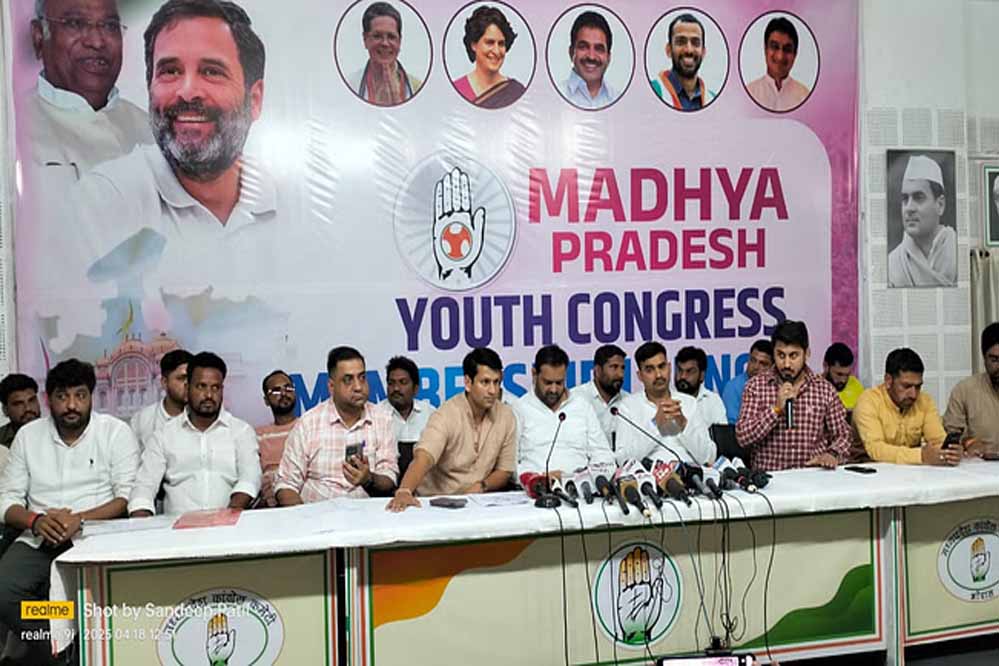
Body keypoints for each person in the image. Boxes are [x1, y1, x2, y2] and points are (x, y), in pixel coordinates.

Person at [77, 0, 274, 237]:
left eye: (211, 71)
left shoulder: (292, 203)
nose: (187, 92)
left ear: (254, 100)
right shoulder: (104, 201)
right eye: (170, 71)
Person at [0, 359, 138, 664]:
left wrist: (80, 519)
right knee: (4, 590)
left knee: (112, 595)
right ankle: (60, 642)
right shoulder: (28, 436)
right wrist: (36, 520)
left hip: (96, 534)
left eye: (80, 395)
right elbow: (7, 501)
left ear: (91, 396)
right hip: (39, 535)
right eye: (62, 397)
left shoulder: (115, 432)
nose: (72, 405)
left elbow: (125, 498)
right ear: (49, 399)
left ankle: (73, 635)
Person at [26, 0, 151, 176]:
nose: (97, 42)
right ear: (39, 37)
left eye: (109, 26)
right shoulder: (13, 131)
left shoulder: (152, 132)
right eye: (75, 23)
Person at [129, 352, 260, 516]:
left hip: (230, 522)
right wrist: (141, 520)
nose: (209, 395)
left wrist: (228, 515)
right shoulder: (164, 435)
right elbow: (144, 487)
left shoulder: (241, 431)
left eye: (215, 387)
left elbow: (250, 478)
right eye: (201, 386)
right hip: (175, 528)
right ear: (188, 388)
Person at [387, 347, 516, 512]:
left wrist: (481, 486)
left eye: (496, 382)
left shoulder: (506, 416)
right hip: (436, 503)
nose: (492, 391)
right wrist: (404, 491)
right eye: (485, 382)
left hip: (478, 503)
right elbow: (424, 457)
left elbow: (504, 470)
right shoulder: (446, 414)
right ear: (468, 383)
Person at [276, 347, 398, 504]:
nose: (358, 387)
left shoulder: (382, 420)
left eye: (362, 377)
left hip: (367, 515)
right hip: (317, 514)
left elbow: (389, 478)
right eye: (348, 380)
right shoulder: (308, 424)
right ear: (331, 386)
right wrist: (304, 517)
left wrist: (368, 479)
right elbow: (286, 485)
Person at [736, 320, 851, 470]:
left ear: (806, 353)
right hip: (770, 478)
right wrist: (775, 410)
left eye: (793, 356)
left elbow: (844, 435)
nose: (787, 364)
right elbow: (742, 437)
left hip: (812, 475)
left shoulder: (824, 389)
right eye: (781, 355)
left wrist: (832, 454)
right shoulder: (756, 387)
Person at [513, 345, 614, 479]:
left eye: (559, 383)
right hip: (535, 487)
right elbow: (509, 464)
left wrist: (581, 477)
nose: (554, 390)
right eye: (548, 383)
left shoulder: (582, 406)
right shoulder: (519, 409)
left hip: (580, 486)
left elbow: (604, 457)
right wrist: (537, 479)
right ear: (534, 374)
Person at [614, 342, 716, 466]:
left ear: (669, 367)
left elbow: (709, 457)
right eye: (649, 370)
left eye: (661, 367)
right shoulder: (628, 407)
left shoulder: (689, 403)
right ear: (640, 376)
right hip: (649, 475)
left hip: (690, 473)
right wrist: (655, 425)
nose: (658, 375)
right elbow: (622, 460)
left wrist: (684, 425)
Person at [853, 348, 960, 465]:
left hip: (911, 471)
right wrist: (921, 456)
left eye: (918, 387)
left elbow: (938, 440)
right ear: (888, 380)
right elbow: (876, 449)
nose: (913, 394)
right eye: (906, 386)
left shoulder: (925, 401)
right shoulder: (868, 401)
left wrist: (949, 452)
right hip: (869, 469)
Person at [888, 154, 957, 287]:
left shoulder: (959, 252)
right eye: (905, 199)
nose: (909, 208)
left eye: (918, 197)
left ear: (940, 205)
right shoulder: (892, 264)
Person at [347, 2, 423, 105]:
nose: (385, 43)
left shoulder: (417, 88)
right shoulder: (350, 85)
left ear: (399, 41)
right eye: (377, 36)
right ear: (365, 39)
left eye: (391, 37)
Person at [452, 5, 526, 108]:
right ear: (474, 45)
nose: (496, 51)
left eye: (501, 44)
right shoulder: (457, 90)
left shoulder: (517, 92)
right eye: (490, 43)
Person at [375, 356, 435, 480]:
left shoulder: (430, 413)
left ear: (415, 388)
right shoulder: (376, 415)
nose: (396, 388)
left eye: (403, 382)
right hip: (385, 484)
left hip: (424, 483)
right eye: (391, 383)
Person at [944, 322, 999, 447]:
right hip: (979, 459)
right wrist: (968, 443)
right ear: (984, 359)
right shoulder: (964, 390)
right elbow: (952, 434)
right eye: (995, 360)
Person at [650, 13, 716, 111]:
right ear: (668, 50)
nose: (689, 50)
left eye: (695, 43)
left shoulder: (712, 98)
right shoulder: (653, 91)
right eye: (681, 42)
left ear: (703, 52)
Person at [130, 348, 192, 449]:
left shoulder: (204, 418)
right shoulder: (141, 420)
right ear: (164, 382)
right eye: (181, 378)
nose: (188, 384)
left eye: (191, 378)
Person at [745, 16, 810, 112]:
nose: (780, 56)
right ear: (765, 50)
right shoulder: (749, 93)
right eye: (775, 47)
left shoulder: (804, 96)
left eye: (787, 49)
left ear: (795, 54)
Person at [570, 344, 628, 447]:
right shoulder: (576, 398)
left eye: (622, 368)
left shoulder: (628, 401)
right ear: (597, 370)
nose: (620, 374)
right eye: (614, 367)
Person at [255, 370, 298, 508]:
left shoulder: (308, 427)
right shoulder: (258, 436)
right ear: (266, 400)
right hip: (269, 508)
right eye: (276, 391)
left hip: (302, 501)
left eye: (288, 388)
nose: (284, 394)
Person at [560, 10, 618, 110]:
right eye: (583, 47)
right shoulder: (555, 96)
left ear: (608, 57)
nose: (591, 56)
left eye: (599, 49)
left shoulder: (619, 99)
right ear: (571, 52)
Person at [721, 340, 773, 424]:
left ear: (772, 367)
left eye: (763, 364)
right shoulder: (733, 387)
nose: (756, 367)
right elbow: (733, 425)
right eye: (753, 360)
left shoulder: (776, 386)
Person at [674, 346, 727, 425]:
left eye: (689, 371)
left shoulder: (712, 401)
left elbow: (721, 431)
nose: (683, 376)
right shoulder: (667, 399)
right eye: (680, 370)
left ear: (702, 375)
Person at [0, 375, 41, 454]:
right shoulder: (1, 440)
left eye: (32, 400)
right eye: (18, 403)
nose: (28, 408)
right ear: (5, 410)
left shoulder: (56, 431)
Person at [822, 343, 864, 415]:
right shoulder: (813, 388)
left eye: (847, 375)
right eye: (839, 374)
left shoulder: (856, 386)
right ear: (826, 366)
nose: (843, 380)